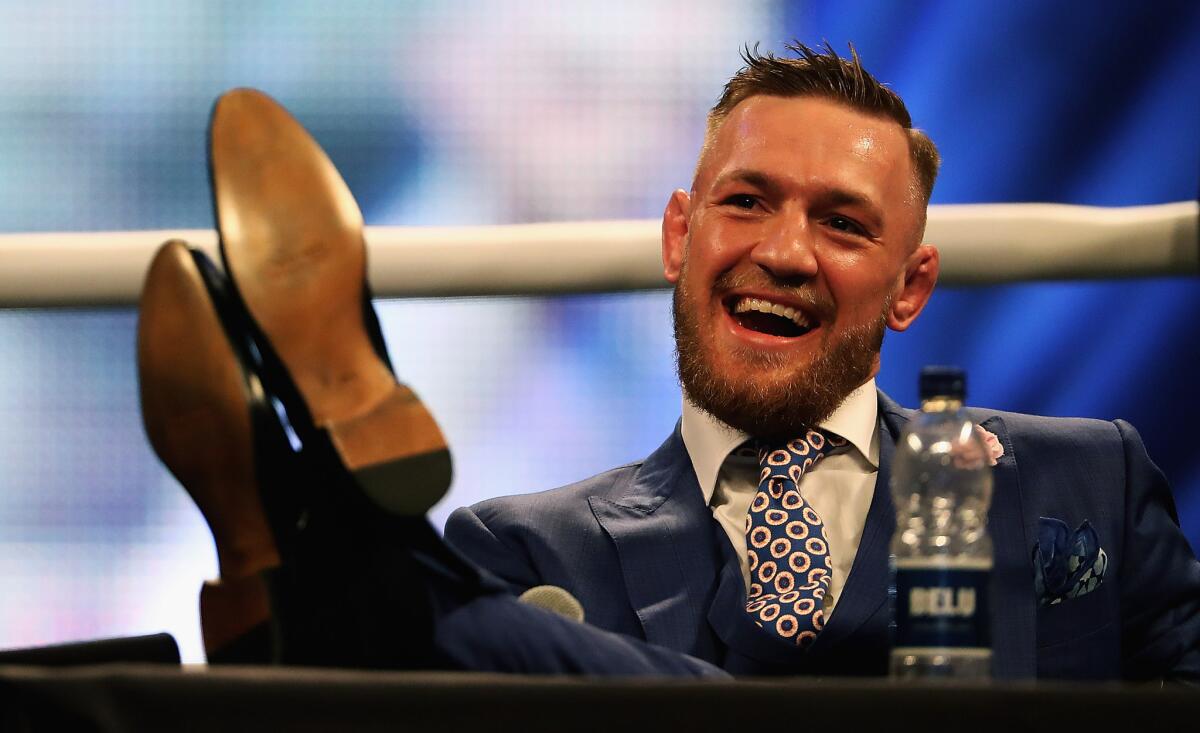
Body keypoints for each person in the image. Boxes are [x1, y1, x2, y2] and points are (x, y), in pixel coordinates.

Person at [135, 45, 1199, 681]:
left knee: (437, 614)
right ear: (676, 238)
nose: (781, 251)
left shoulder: (1082, 479)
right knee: (426, 632)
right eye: (746, 203)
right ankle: (301, 502)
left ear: (911, 287)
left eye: (840, 222)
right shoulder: (521, 543)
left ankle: (294, 506)